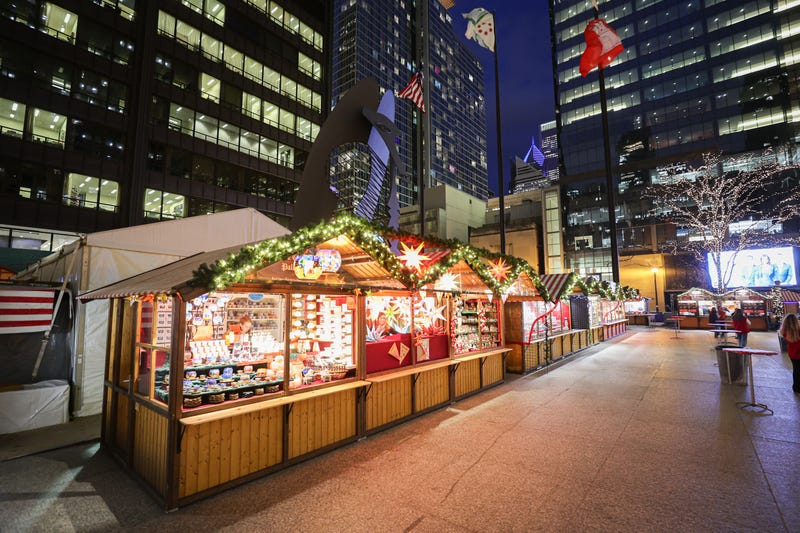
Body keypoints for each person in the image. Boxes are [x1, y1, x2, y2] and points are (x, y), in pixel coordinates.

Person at [778, 313, 800, 394]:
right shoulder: (799, 331)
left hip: (792, 353)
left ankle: (796, 387)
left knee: (796, 370)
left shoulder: (784, 331)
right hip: (798, 353)